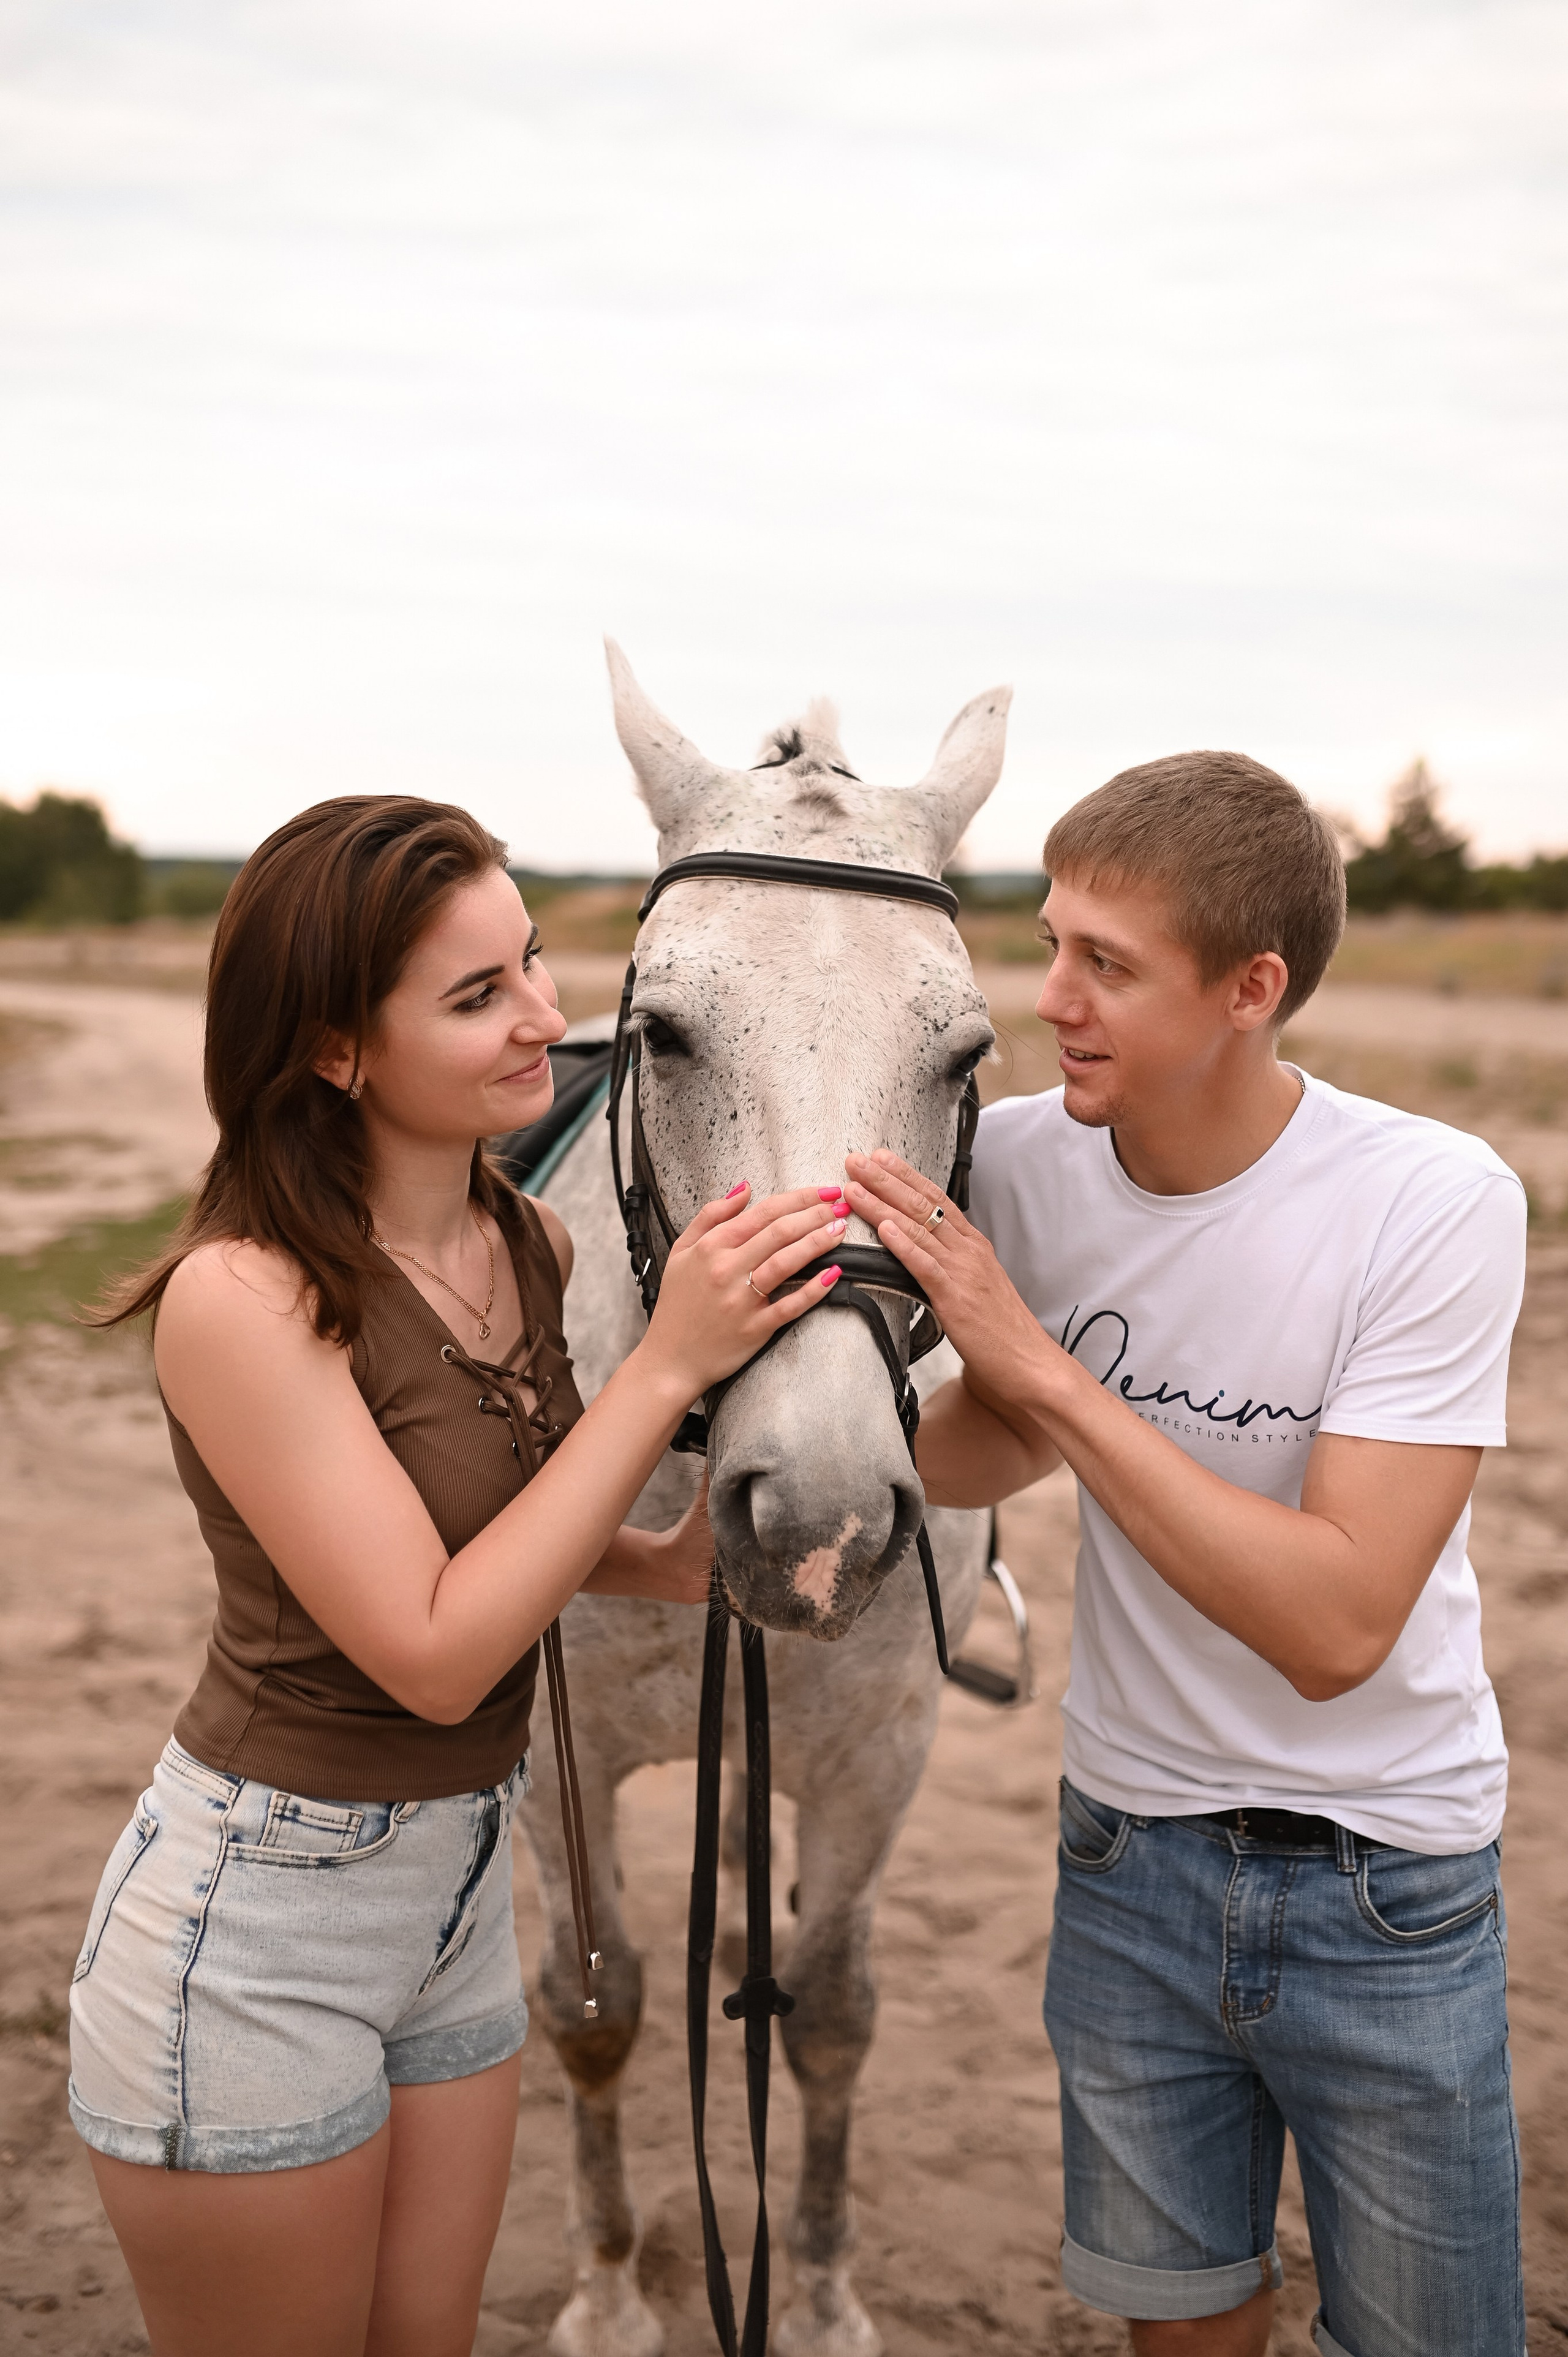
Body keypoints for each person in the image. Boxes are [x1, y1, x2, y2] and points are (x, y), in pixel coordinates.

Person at [70, 794, 851, 2357]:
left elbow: (498, 1549)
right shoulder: (243, 1298)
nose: (547, 1023)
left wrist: (669, 1562)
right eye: (477, 995)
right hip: (263, 1919)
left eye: (538, 966)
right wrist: (663, 1372)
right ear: (335, 1050)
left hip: (460, 1893)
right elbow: (429, 1649)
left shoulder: (524, 1242)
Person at [843, 751, 1526, 2357]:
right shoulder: (1015, 1161)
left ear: (1251, 988)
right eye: (1051, 943)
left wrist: (1044, 1368)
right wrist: (814, 1413)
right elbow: (990, 1444)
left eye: (1108, 964)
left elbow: (1340, 1620)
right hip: (1125, 1862)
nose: (1053, 997)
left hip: (1387, 1879)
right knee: (1184, 2325)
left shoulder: (1432, 1204)